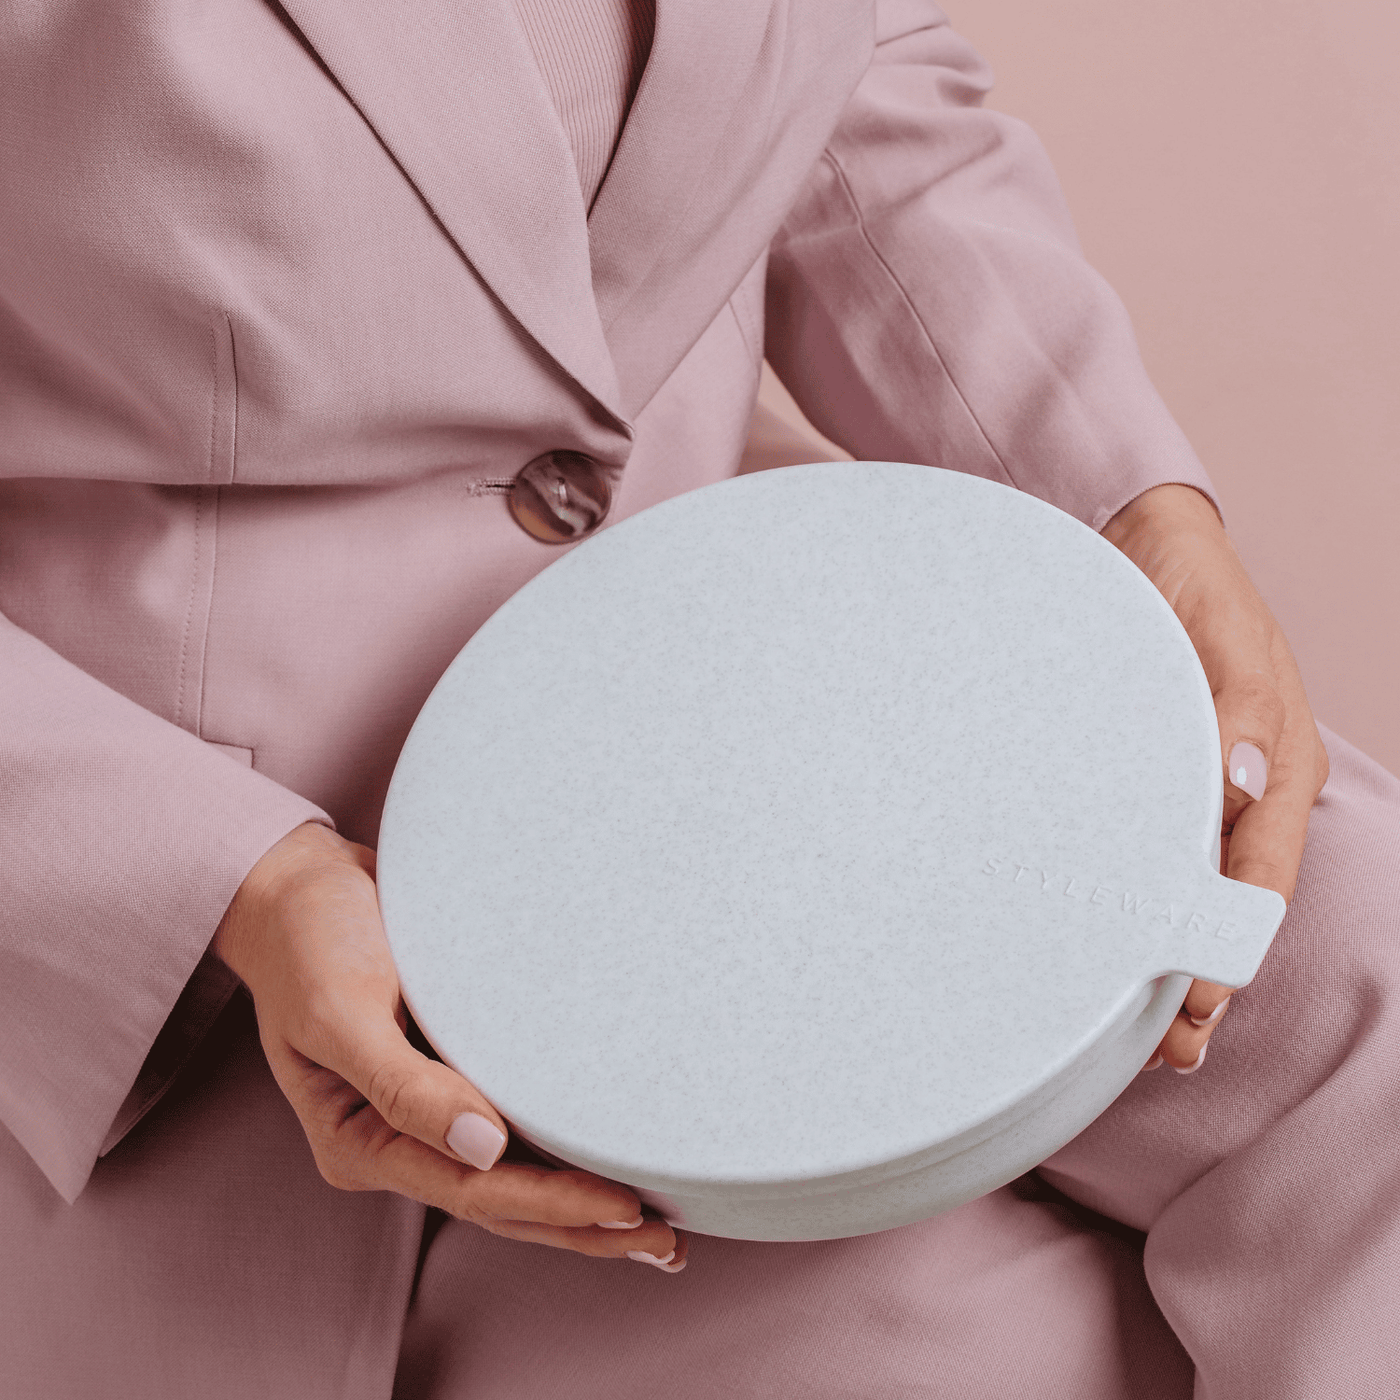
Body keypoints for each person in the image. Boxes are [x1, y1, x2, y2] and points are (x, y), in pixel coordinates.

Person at [1, 1, 1396, 1396]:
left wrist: (1132, 501)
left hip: (773, 658)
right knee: (982, 1358)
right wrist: (247, 888)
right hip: (272, 915)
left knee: (1373, 995)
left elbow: (850, 94)